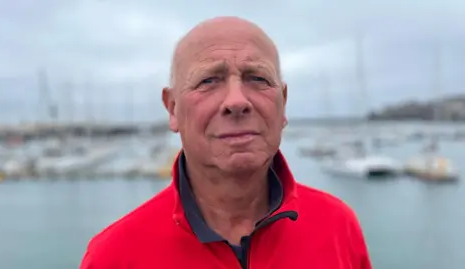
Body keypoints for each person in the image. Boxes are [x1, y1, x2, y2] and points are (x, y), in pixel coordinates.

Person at [79, 16, 372, 269]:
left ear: (283, 104)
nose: (236, 101)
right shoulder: (114, 257)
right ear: (172, 109)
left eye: (257, 78)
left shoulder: (337, 227)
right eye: (208, 81)